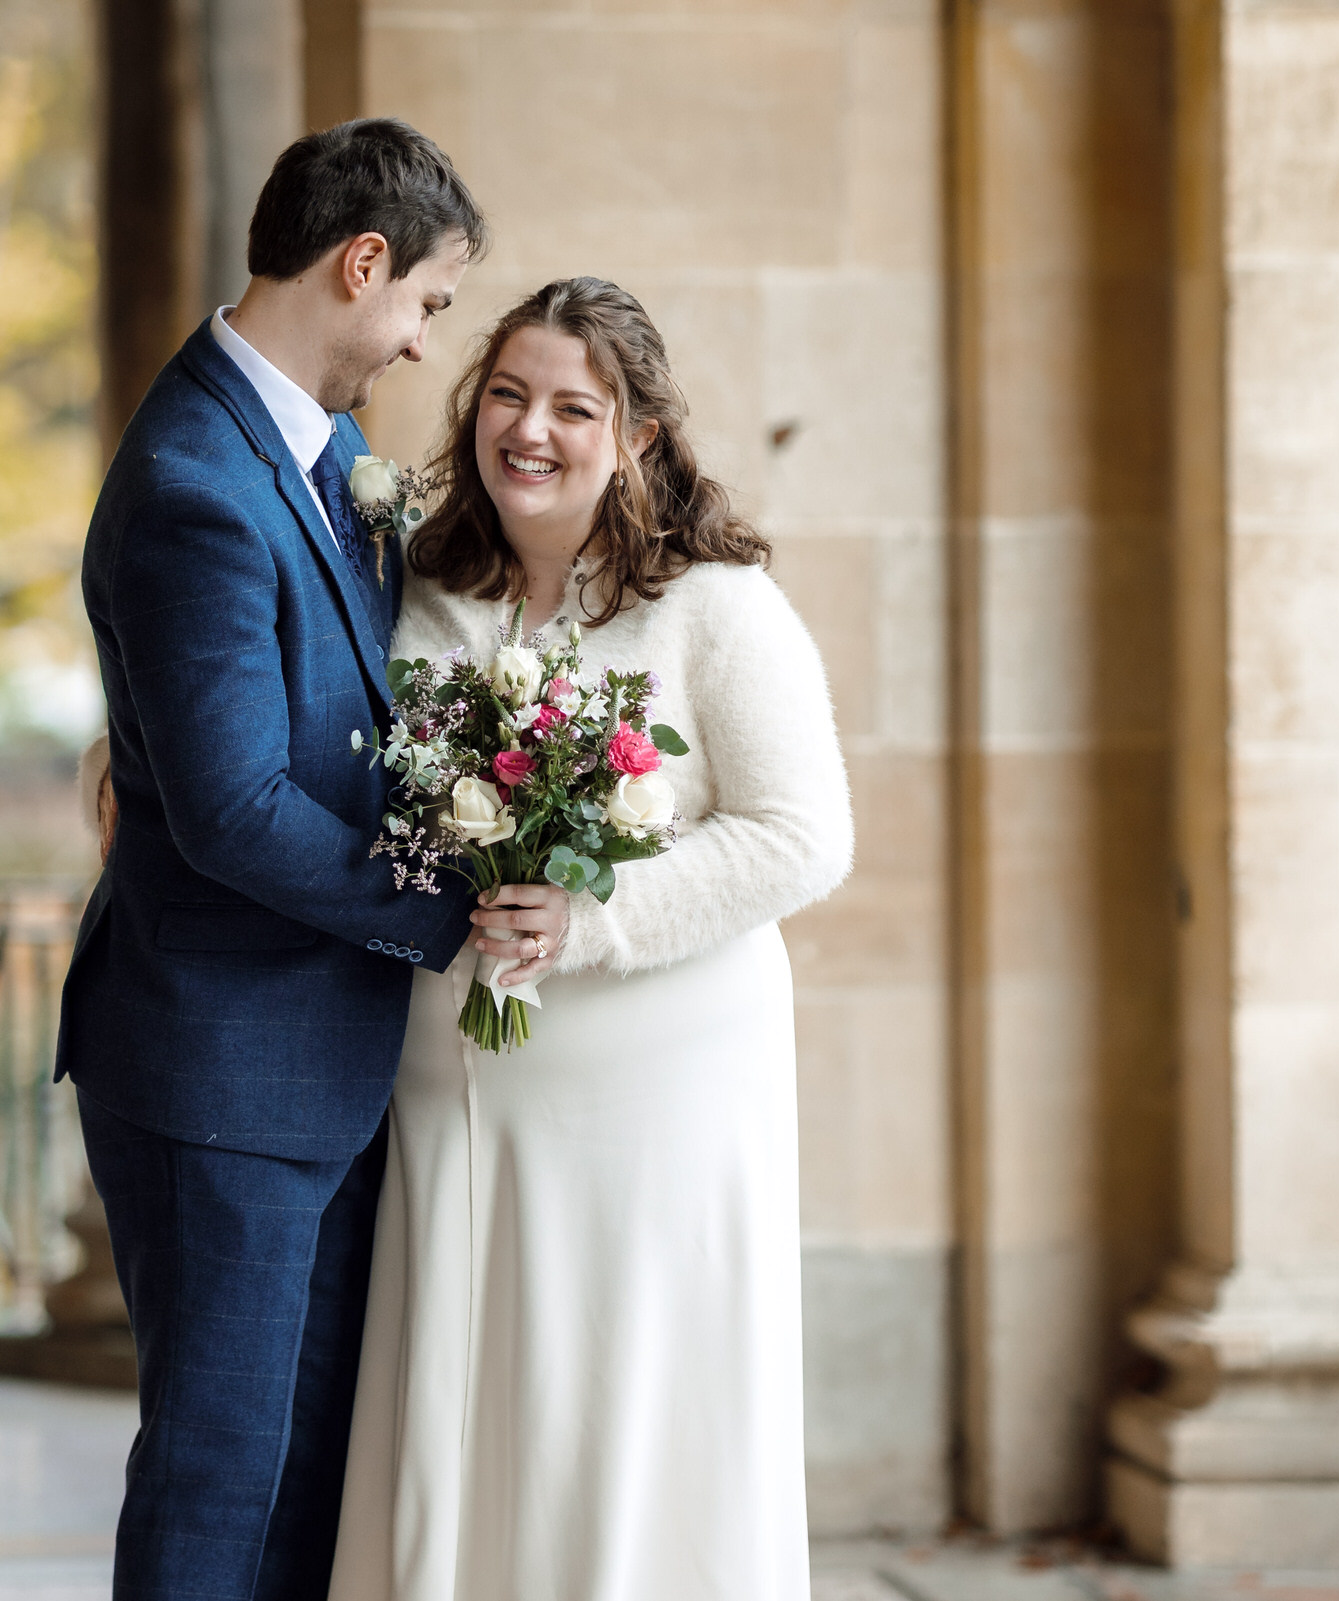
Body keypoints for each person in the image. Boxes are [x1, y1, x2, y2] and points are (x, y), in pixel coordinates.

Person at [55, 120, 569, 1601]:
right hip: (220, 1073)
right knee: (221, 1479)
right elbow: (231, 811)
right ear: (362, 266)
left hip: (310, 1065)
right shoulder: (196, 485)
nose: (421, 349)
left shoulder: (322, 446)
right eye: (426, 305)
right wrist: (452, 907)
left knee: (303, 1486)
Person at [327, 277, 855, 1601]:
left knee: (622, 1406)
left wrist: (597, 916)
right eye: (507, 394)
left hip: (656, 1100)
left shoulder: (717, 604)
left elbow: (803, 834)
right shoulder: (431, 588)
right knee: (471, 1395)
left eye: (575, 405)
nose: (532, 429)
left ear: (641, 435)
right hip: (463, 1086)